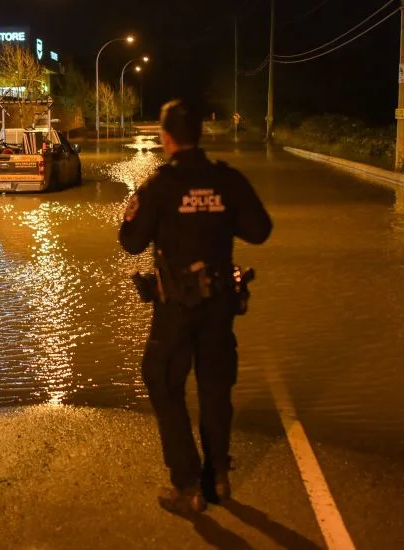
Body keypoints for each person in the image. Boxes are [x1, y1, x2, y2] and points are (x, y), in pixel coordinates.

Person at [119, 99, 272, 514]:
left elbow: (130, 241)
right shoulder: (227, 180)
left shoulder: (159, 185)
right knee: (215, 388)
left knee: (163, 380)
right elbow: (260, 230)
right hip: (220, 305)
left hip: (176, 310)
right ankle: (217, 478)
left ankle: (188, 485)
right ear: (201, 134)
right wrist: (218, 214)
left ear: (166, 138)